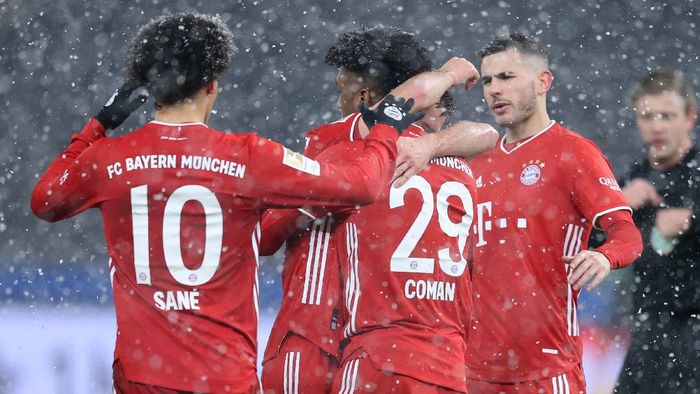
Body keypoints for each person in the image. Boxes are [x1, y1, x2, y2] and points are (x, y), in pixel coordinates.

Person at [30, 14, 423, 393]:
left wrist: (98, 124)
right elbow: (362, 185)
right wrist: (385, 127)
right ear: (212, 85)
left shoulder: (109, 159)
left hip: (141, 371)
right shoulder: (247, 157)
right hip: (222, 375)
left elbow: (45, 201)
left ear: (147, 89)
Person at [258, 25, 496, 393]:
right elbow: (488, 133)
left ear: (364, 97)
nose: (339, 103)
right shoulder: (461, 168)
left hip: (322, 337)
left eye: (342, 91)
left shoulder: (340, 148)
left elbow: (264, 235)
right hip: (440, 358)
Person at [463, 33, 643, 393]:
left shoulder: (574, 153)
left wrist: (604, 257)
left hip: (547, 368)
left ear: (543, 81)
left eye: (507, 77)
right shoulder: (475, 161)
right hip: (473, 370)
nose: (494, 90)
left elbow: (627, 234)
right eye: (487, 81)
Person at [615, 69, 700, 393]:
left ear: (690, 117)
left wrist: (693, 222)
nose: (657, 126)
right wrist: (615, 207)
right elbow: (589, 242)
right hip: (647, 331)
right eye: (648, 116)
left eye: (667, 115)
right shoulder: (632, 181)